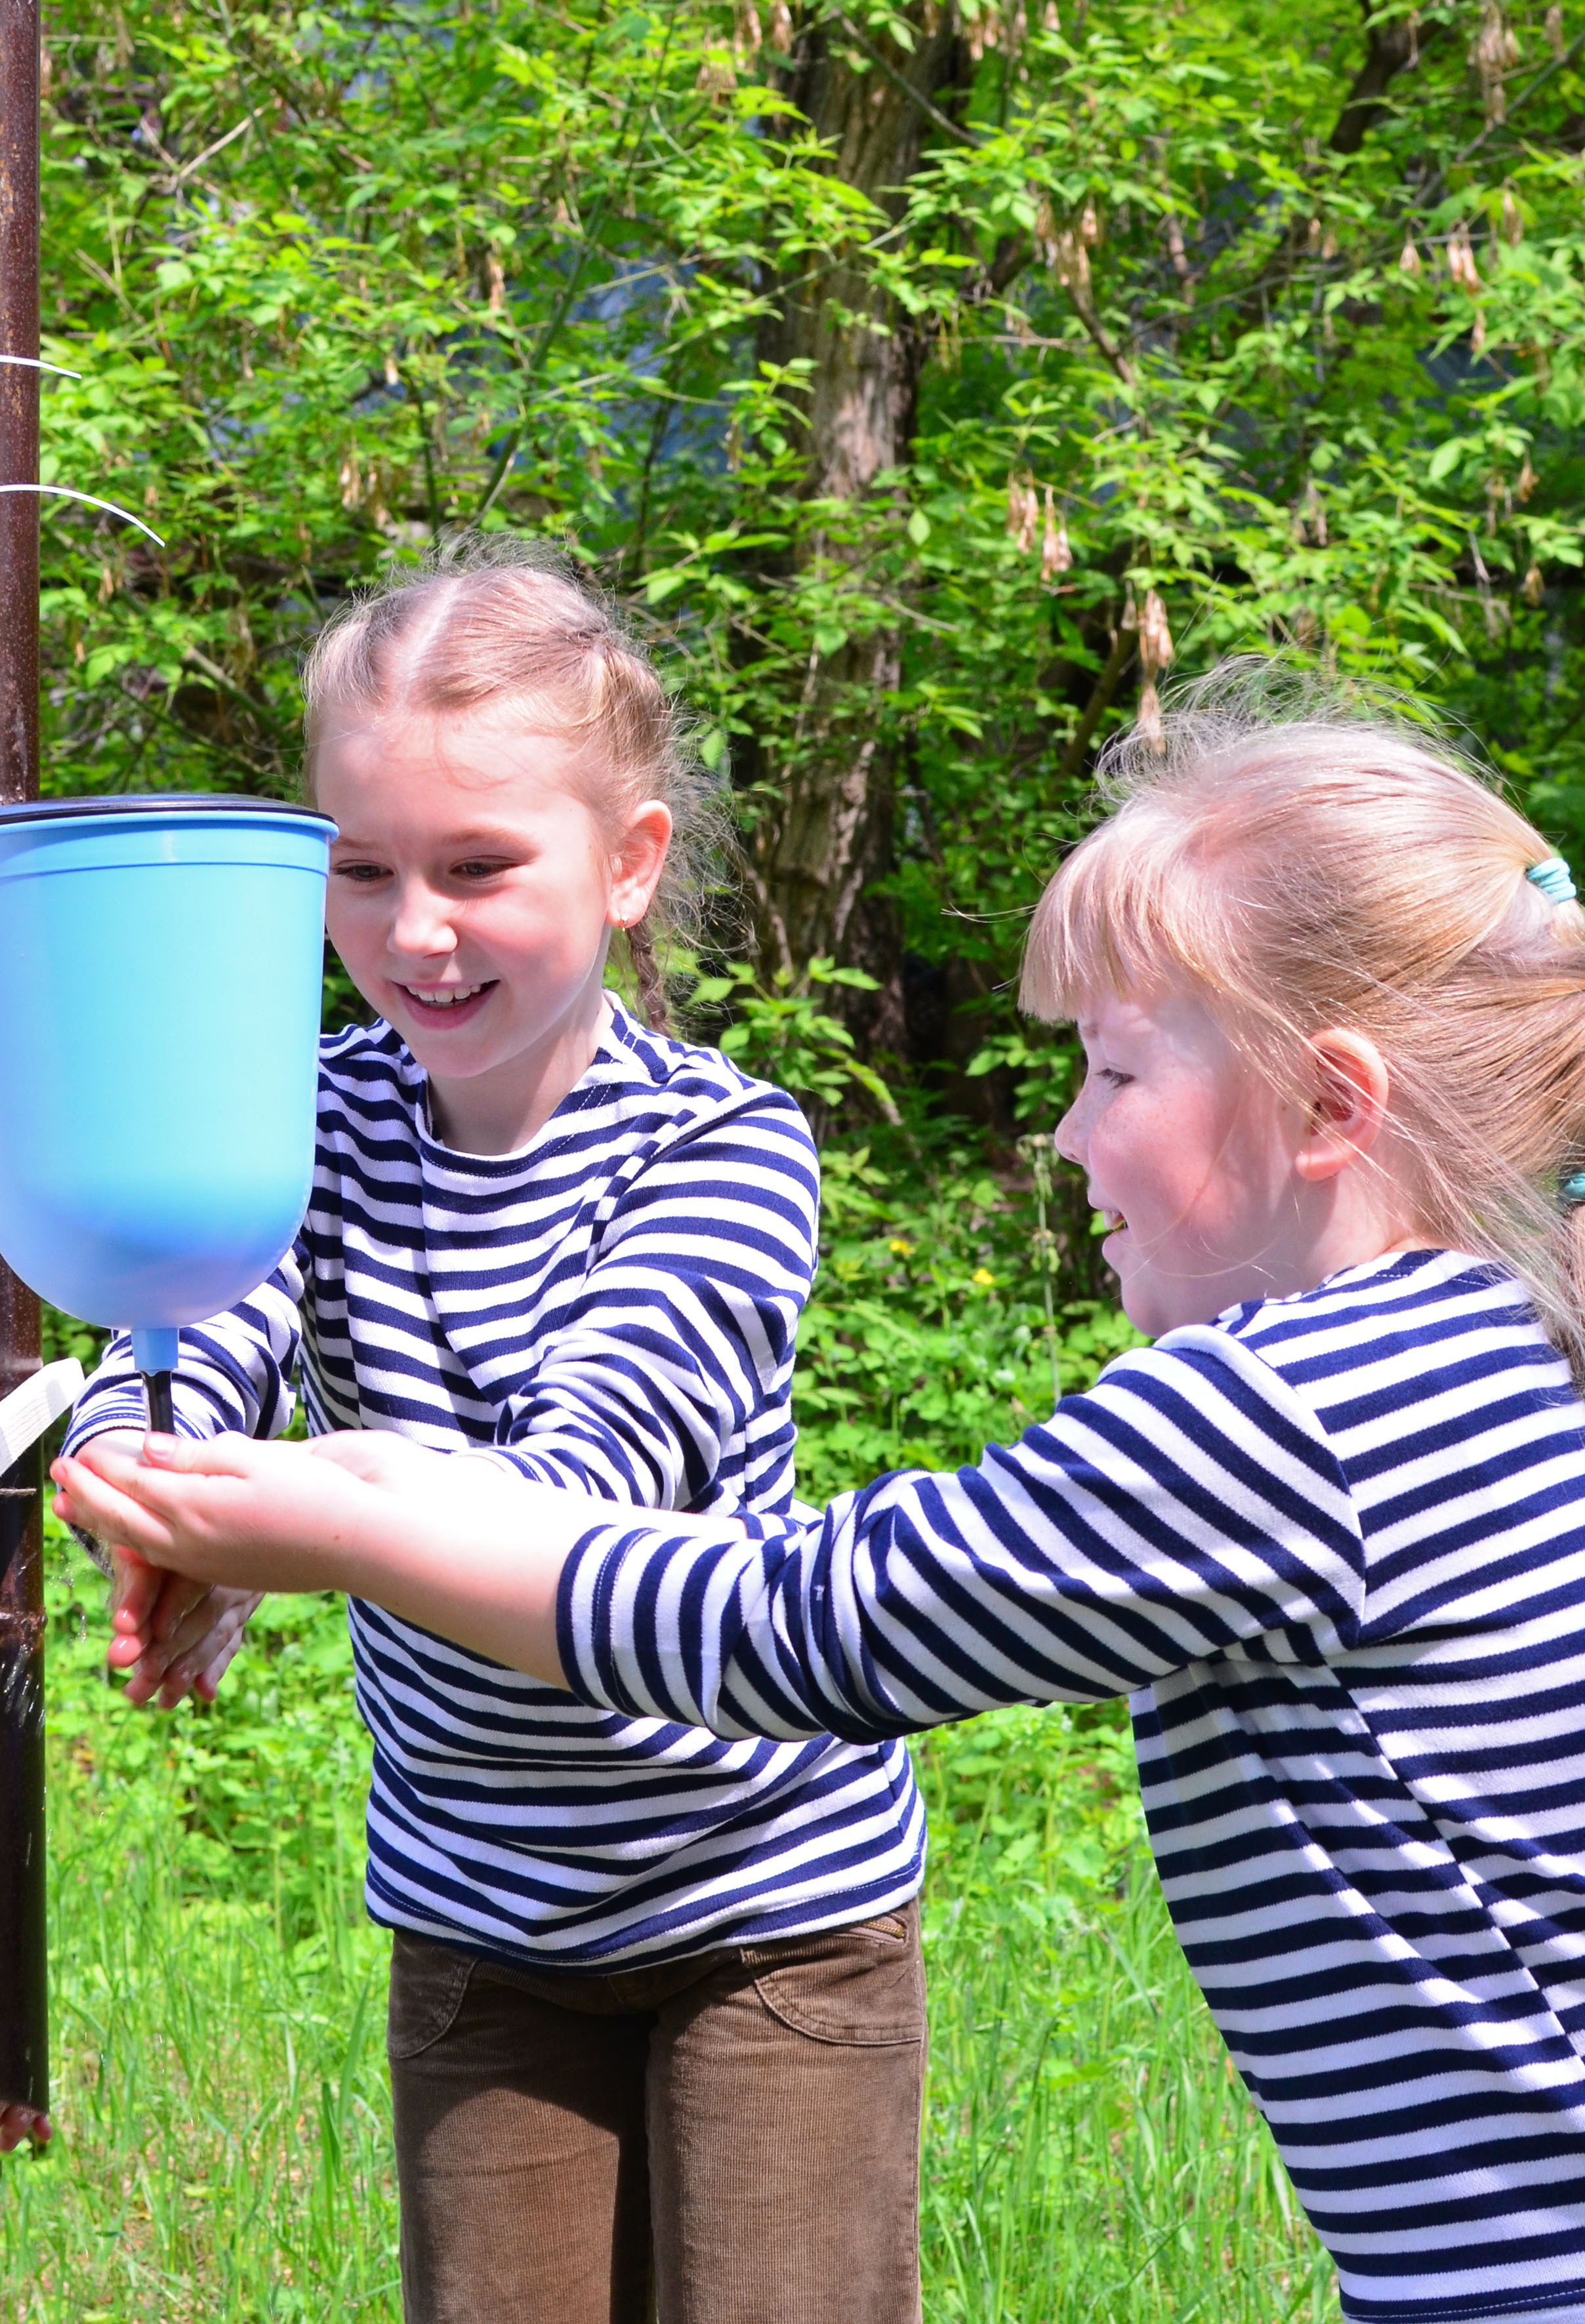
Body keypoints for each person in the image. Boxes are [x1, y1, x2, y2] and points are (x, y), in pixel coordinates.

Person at [57, 668, 1585, 2324]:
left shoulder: (1293, 1412)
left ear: (1325, 1104)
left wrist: (344, 1519)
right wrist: (212, 1458)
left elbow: (799, 1622)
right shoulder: (1476, 1347)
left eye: (1114, 1074)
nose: (1064, 1134)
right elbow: (243, 1298)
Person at [40, 541, 930, 2324]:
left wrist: (284, 1518)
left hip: (769, 1908)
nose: (414, 933)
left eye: (478, 868)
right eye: (360, 872)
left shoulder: (726, 1151)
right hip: (481, 1918)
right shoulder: (306, 1112)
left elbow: (582, 1491)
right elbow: (224, 1314)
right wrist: (173, 1489)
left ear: (630, 865)